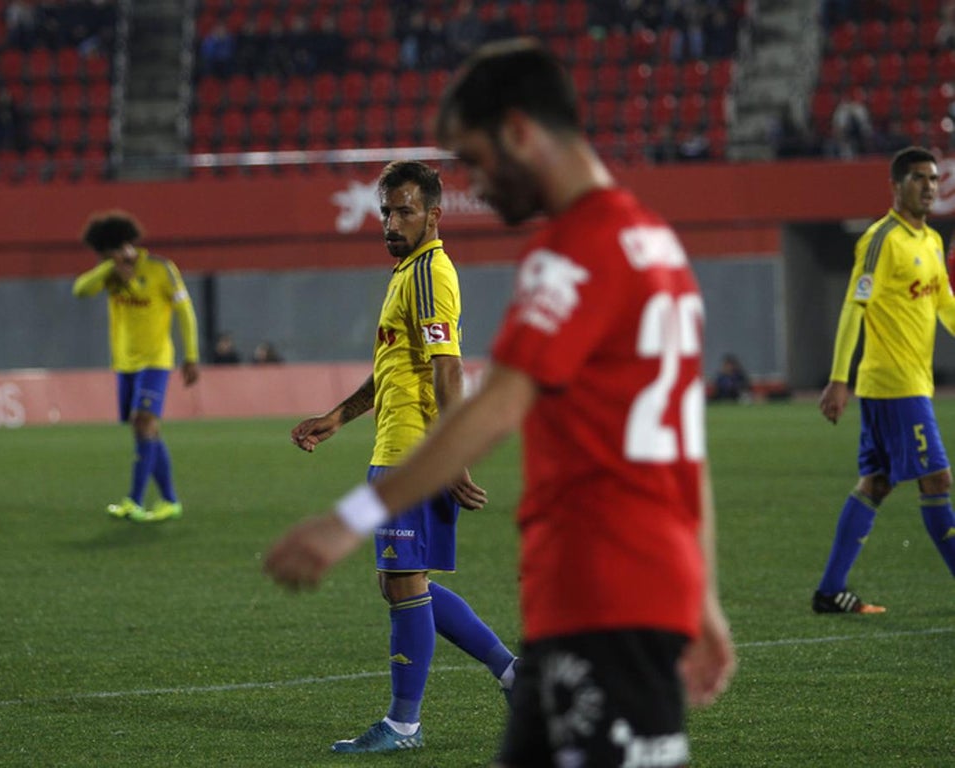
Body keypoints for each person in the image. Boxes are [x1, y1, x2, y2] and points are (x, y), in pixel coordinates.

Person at [266, 40, 735, 767]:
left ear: (520, 131)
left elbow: (488, 404)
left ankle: (406, 717)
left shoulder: (574, 252)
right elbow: (684, 447)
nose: (476, 185)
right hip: (639, 596)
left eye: (478, 161)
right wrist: (700, 600)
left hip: (594, 598)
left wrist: (345, 522)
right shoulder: (657, 246)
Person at [287, 159, 518, 754]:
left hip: (414, 451)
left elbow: (448, 369)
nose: (391, 221)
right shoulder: (409, 271)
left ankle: (403, 725)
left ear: (434, 215)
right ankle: (517, 675)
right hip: (399, 446)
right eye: (386, 210)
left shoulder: (428, 275)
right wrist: (337, 417)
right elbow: (395, 368)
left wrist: (454, 450)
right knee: (401, 582)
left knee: (402, 582)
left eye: (405, 211)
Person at [814, 146, 955, 614]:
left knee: (875, 483)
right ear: (895, 186)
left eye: (934, 178)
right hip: (894, 383)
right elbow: (855, 305)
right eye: (919, 178)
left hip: (906, 384)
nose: (930, 186)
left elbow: (944, 305)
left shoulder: (932, 242)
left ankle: (831, 591)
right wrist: (839, 379)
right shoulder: (881, 239)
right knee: (937, 480)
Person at [73, 211, 201, 523]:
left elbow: (185, 311)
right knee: (145, 428)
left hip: (156, 360)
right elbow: (80, 290)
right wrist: (108, 267)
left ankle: (134, 500)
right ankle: (170, 501)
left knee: (143, 421)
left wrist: (191, 355)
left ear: (128, 244)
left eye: (114, 250)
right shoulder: (109, 274)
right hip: (124, 362)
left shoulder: (160, 268)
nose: (112, 257)